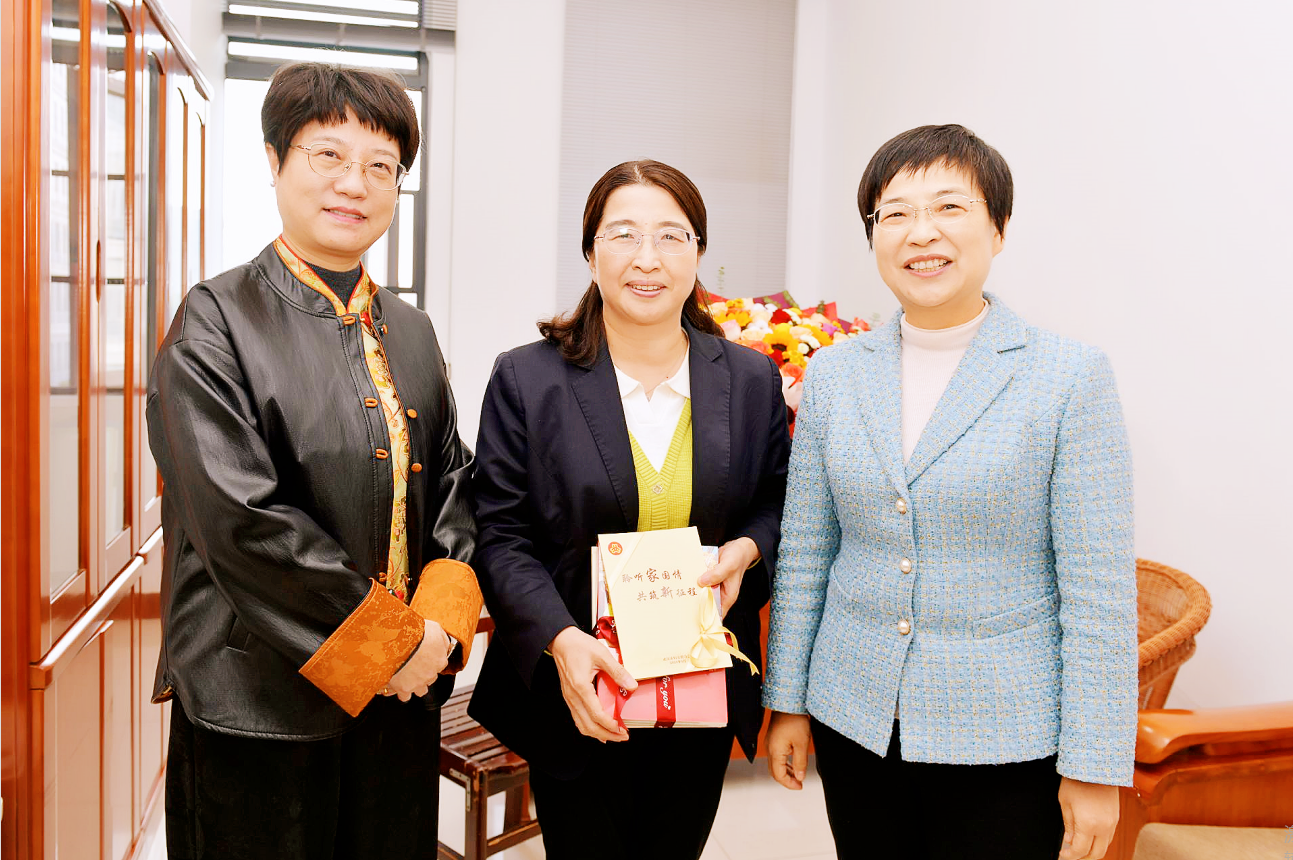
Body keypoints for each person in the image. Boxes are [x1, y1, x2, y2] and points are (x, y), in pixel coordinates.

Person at [763, 125, 1137, 860]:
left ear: (998, 228)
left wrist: (1093, 764)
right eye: (895, 213)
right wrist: (788, 701)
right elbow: (806, 552)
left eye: (948, 207)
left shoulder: (1068, 377)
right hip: (854, 719)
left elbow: (1097, 591)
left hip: (1007, 735)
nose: (920, 232)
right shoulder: (835, 373)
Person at [146, 62, 482, 859]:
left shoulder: (410, 329)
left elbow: (454, 483)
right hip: (258, 705)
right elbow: (241, 522)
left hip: (399, 705)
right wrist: (391, 648)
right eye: (327, 155)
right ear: (274, 161)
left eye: (380, 166)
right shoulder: (213, 321)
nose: (353, 184)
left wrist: (437, 632)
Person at [469, 160, 790, 860]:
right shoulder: (527, 378)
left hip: (699, 686)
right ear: (590, 252)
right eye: (623, 235)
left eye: (672, 236)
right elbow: (499, 533)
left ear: (699, 253)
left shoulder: (750, 378)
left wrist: (747, 549)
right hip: (577, 685)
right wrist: (559, 640)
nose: (648, 258)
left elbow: (775, 500)